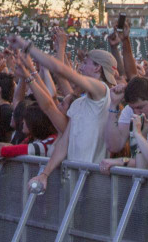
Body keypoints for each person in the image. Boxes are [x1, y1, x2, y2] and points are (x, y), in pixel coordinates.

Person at [13, 33, 111, 194]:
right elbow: (64, 143)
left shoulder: (102, 92)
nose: (80, 68)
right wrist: (44, 174)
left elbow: (61, 71)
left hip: (94, 185)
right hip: (73, 182)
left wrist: (27, 46)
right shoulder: (78, 103)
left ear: (97, 67)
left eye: (84, 63)